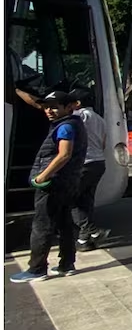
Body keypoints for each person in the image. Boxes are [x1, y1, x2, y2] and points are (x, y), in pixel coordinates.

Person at [10, 91, 87, 282]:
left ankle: (37, 269)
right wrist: (17, 90)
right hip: (68, 181)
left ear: (68, 107)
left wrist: (42, 176)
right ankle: (66, 264)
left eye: (54, 107)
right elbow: (36, 104)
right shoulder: (72, 123)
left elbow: (64, 154)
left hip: (53, 183)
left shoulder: (65, 127)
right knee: (64, 223)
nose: (49, 111)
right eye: (46, 107)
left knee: (42, 225)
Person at [69, 89, 109, 251]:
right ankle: (84, 240)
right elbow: (103, 143)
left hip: (83, 164)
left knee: (70, 199)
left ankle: (93, 230)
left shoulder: (79, 116)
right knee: (85, 201)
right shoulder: (100, 119)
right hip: (98, 163)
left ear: (77, 103)